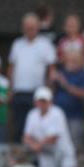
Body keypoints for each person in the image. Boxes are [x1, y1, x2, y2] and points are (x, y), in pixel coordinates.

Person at [8, 13, 57, 142]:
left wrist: (49, 90)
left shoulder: (45, 44)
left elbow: (51, 69)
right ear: (23, 28)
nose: (30, 30)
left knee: (36, 128)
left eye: (33, 27)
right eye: (27, 27)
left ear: (38, 27)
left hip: (37, 93)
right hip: (19, 92)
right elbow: (11, 68)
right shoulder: (17, 44)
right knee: (19, 126)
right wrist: (10, 89)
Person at [50, 51, 84, 147]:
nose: (71, 63)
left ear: (80, 62)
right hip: (58, 116)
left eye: (75, 61)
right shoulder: (62, 73)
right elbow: (51, 92)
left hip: (75, 117)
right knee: (58, 145)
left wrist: (64, 83)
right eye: (69, 60)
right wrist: (51, 80)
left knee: (75, 145)